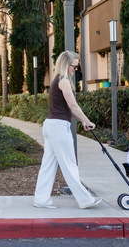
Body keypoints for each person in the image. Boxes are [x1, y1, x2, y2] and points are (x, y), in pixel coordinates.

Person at [34, 51, 102, 209]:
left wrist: (83, 121)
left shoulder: (58, 80)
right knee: (70, 164)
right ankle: (85, 200)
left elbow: (68, 109)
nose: (75, 70)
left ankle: (41, 199)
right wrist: (87, 120)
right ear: (66, 64)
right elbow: (72, 105)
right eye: (74, 66)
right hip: (58, 127)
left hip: (51, 125)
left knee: (48, 165)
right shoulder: (63, 80)